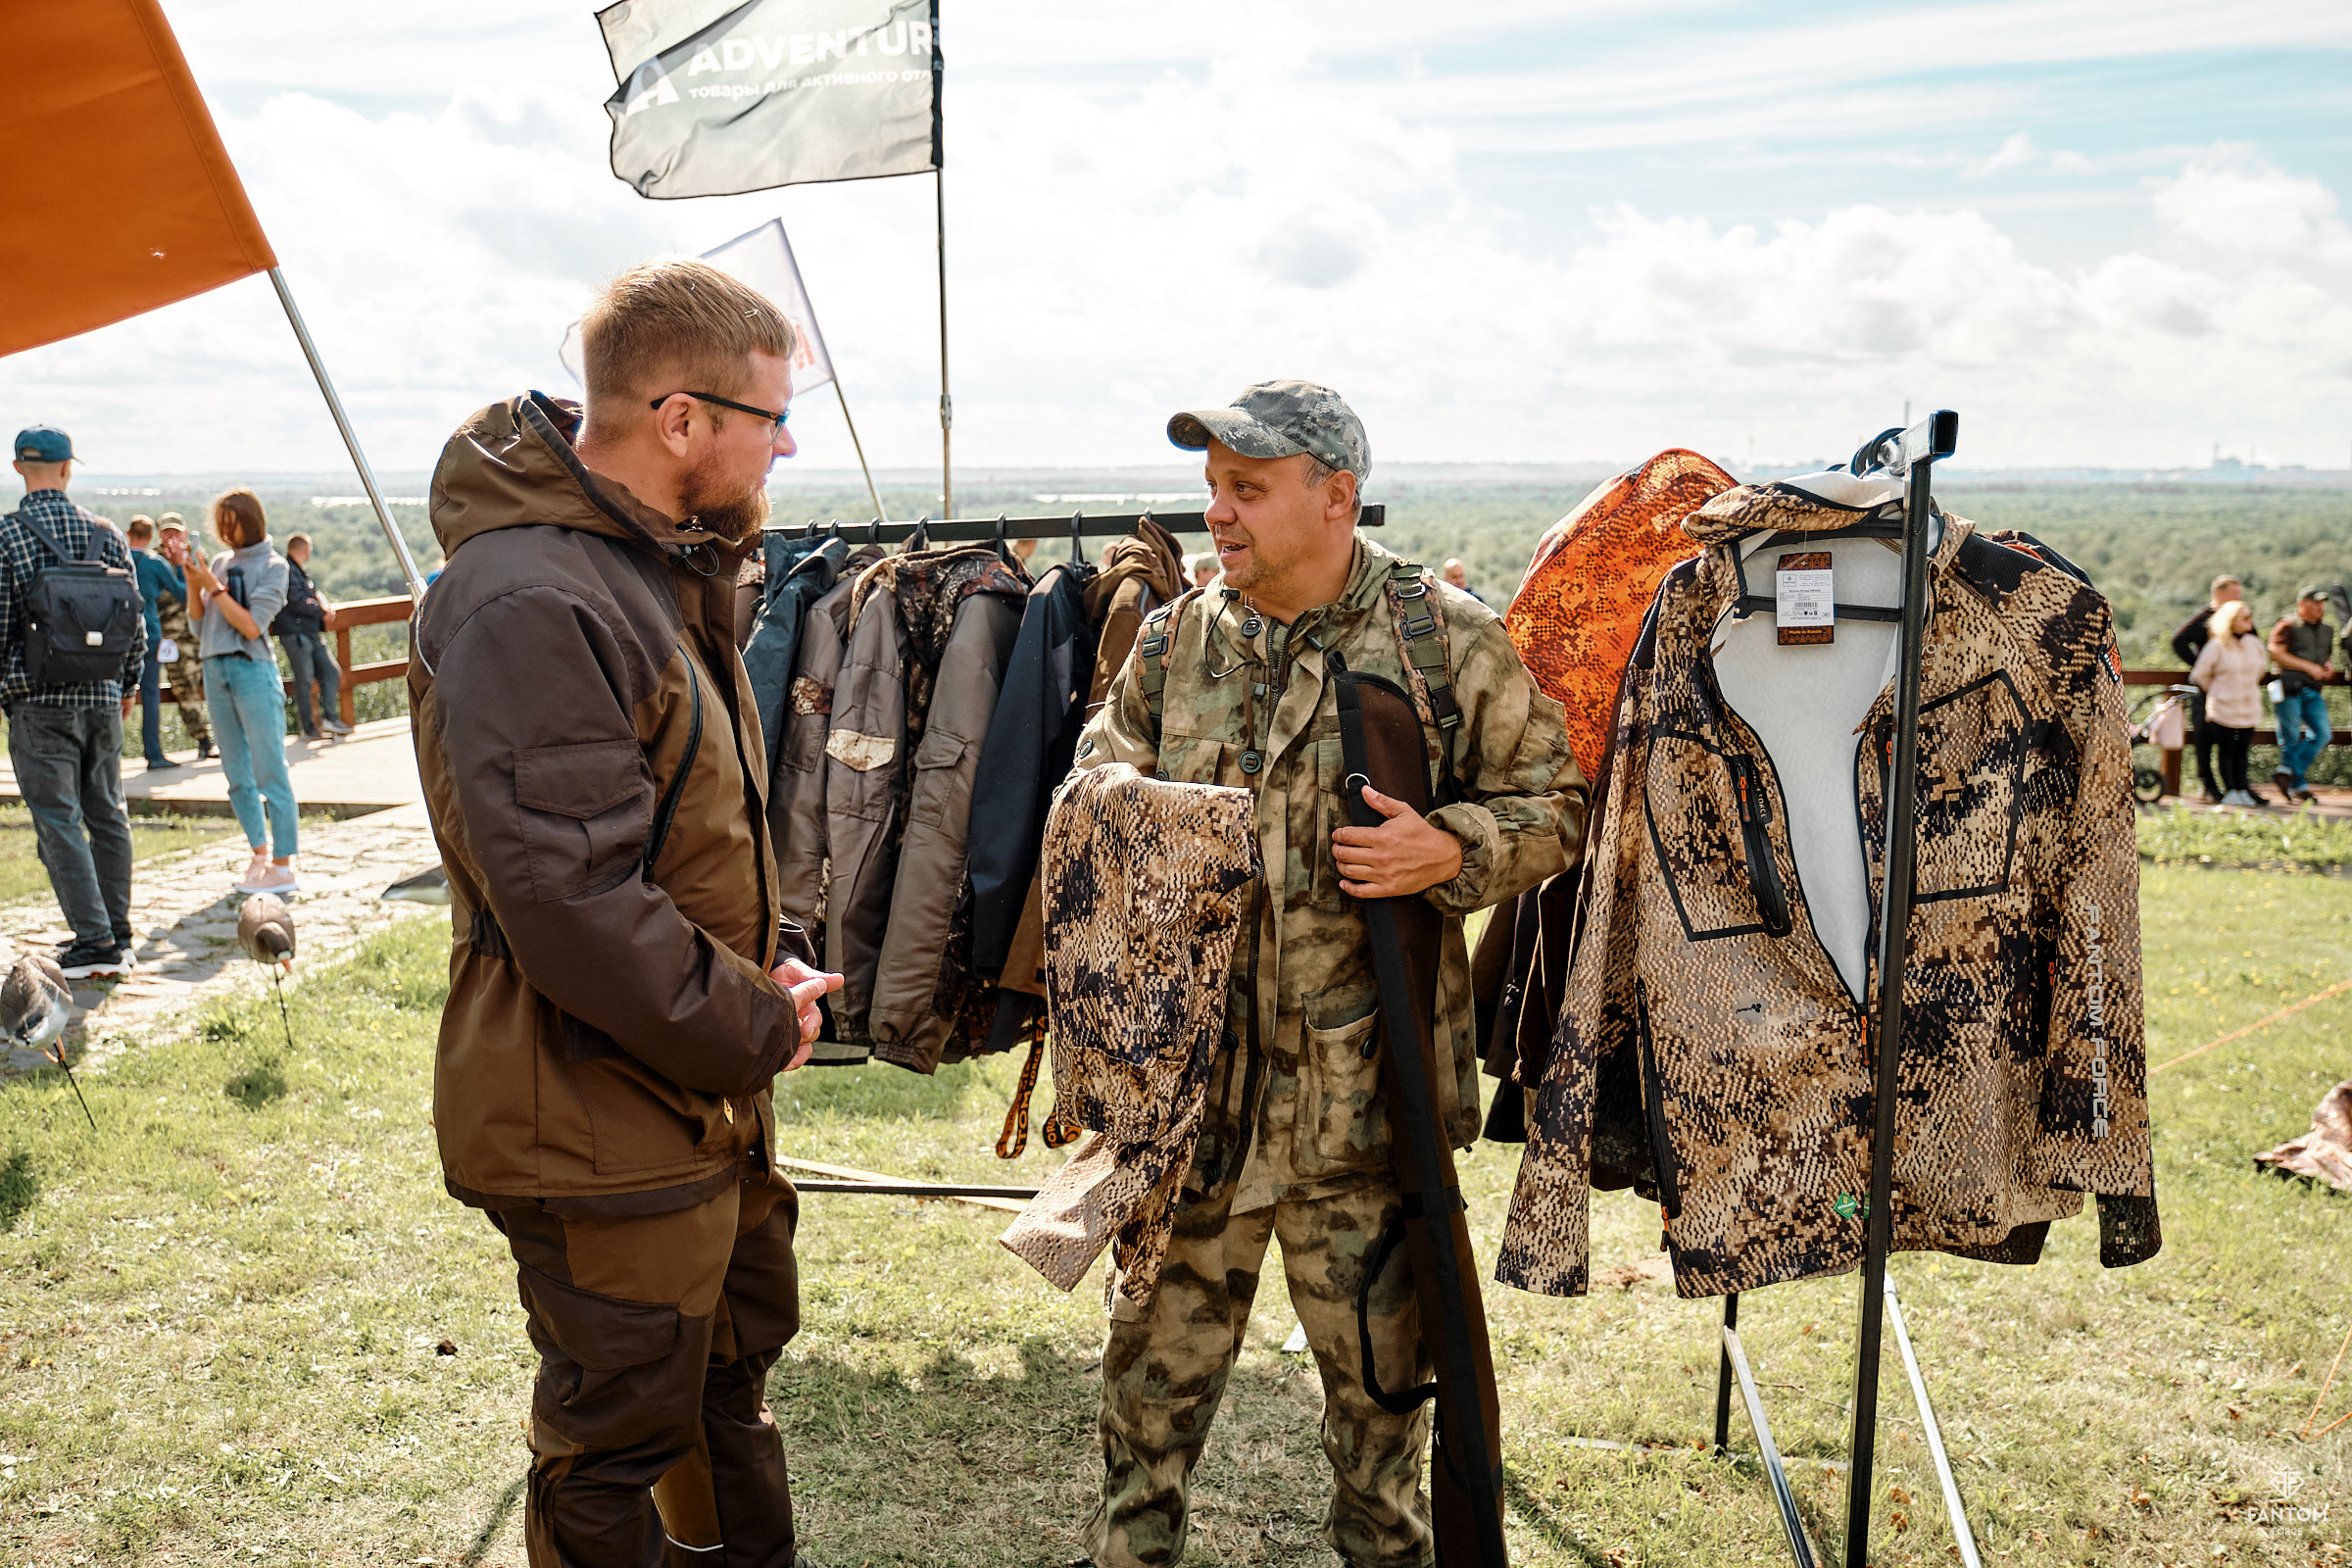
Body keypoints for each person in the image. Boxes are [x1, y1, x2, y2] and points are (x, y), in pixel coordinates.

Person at [1066, 381, 1586, 1568]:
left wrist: (1448, 847)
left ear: (1335, 497)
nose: (1219, 516)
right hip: (1193, 1122)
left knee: (1382, 1434)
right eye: (1212, 490)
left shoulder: (1440, 640)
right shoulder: (1174, 638)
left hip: (1364, 1127)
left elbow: (1559, 808)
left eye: (1247, 490)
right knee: (1141, 1418)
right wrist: (1133, 810)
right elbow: (1095, 783)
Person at [411, 257, 842, 1568]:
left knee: (726, 1388)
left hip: (683, 1093)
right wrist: (755, 1025)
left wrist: (762, 958)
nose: (784, 444)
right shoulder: (539, 597)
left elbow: (665, 835)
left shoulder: (648, 570)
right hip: (592, 1112)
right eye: (770, 418)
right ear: (678, 420)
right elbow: (571, 903)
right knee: (615, 1450)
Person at [1, 425, 144, 977]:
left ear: (18, 469)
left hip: (38, 701)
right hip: (104, 698)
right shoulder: (108, 536)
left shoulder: (7, 537)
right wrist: (127, 686)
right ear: (67, 469)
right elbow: (136, 626)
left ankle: (94, 942)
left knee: (58, 821)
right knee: (109, 814)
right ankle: (119, 933)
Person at [187, 488, 299, 895]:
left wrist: (212, 586)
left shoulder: (275, 566)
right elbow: (199, 626)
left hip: (252, 669)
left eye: (230, 523)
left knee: (271, 771)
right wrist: (191, 579)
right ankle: (259, 853)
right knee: (236, 774)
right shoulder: (217, 562)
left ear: (249, 521)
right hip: (214, 668)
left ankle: (284, 864)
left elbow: (252, 626)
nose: (223, 532)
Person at [2172, 574, 2244, 803]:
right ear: (2219, 593)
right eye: (2235, 593)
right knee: (2204, 735)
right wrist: (2200, 665)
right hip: (2207, 686)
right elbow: (2179, 641)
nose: (2239, 598)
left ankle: (2237, 786)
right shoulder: (2206, 617)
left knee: (2232, 736)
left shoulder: (2237, 618)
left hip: (2232, 686)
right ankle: (2209, 785)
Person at [272, 532, 350, 740]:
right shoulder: (286, 570)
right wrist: (321, 611)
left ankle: (329, 719)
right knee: (304, 680)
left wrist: (324, 606)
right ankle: (308, 728)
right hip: (295, 633)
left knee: (331, 672)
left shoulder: (299, 571)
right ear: (306, 550)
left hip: (309, 632)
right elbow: (296, 600)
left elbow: (312, 594)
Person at [2192, 601, 2269, 808]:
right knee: (2226, 750)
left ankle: (2243, 788)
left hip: (2248, 704)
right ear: (2231, 622)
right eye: (2245, 618)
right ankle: (2231, 790)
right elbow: (2200, 675)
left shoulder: (2254, 643)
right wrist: (2219, 691)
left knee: (2242, 751)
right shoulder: (2216, 645)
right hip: (2223, 706)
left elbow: (2260, 670)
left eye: (2250, 616)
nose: (2250, 621)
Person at [151, 516, 216, 761]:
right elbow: (168, 597)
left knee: (217, 683)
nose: (172, 537)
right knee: (183, 688)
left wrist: (184, 564)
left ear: (186, 533)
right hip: (173, 638)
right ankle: (203, 739)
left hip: (201, 633)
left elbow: (204, 587)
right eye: (167, 532)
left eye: (176, 532)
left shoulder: (197, 555)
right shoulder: (153, 560)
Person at [123, 515, 183, 770]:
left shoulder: (115, 558)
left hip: (120, 634)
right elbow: (182, 594)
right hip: (149, 632)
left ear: (128, 533)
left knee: (113, 692)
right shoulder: (155, 563)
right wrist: (180, 565)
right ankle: (154, 755)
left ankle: (106, 756)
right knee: (150, 694)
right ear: (151, 537)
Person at [2268, 586, 2337, 804]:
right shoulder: (2287, 625)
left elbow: (2325, 655)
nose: (2320, 607)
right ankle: (2299, 786)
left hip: (2314, 690)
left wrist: (2327, 666)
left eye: (2322, 603)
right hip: (2289, 688)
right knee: (2289, 736)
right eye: (2315, 603)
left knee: (2323, 734)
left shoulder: (2327, 630)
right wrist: (2309, 667)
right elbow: (2275, 652)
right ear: (2302, 605)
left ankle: (2286, 770)